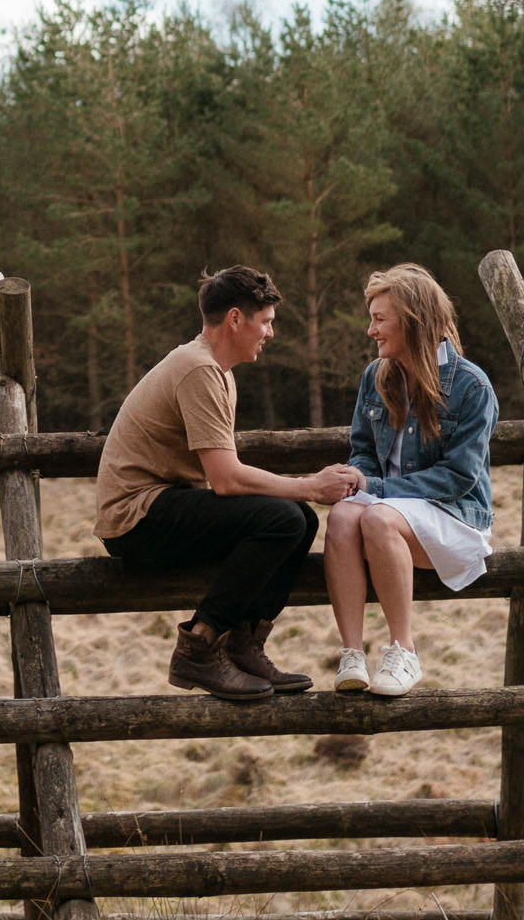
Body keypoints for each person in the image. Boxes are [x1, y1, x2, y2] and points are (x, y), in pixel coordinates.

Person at [95, 265, 359, 701]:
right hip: (135, 520)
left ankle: (243, 646)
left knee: (300, 521)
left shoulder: (216, 371)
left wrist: (303, 495)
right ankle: (198, 648)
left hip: (162, 506)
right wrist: (311, 486)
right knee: (285, 518)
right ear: (236, 319)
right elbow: (225, 479)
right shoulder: (198, 369)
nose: (270, 333)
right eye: (266, 321)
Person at [323, 263, 498, 696]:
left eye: (379, 319)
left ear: (413, 321)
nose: (371, 330)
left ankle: (404, 651)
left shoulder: (472, 386)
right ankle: (352, 654)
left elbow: (458, 477)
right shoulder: (375, 376)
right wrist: (357, 478)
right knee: (342, 516)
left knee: (377, 517)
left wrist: (377, 490)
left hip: (453, 515)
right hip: (388, 511)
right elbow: (364, 449)